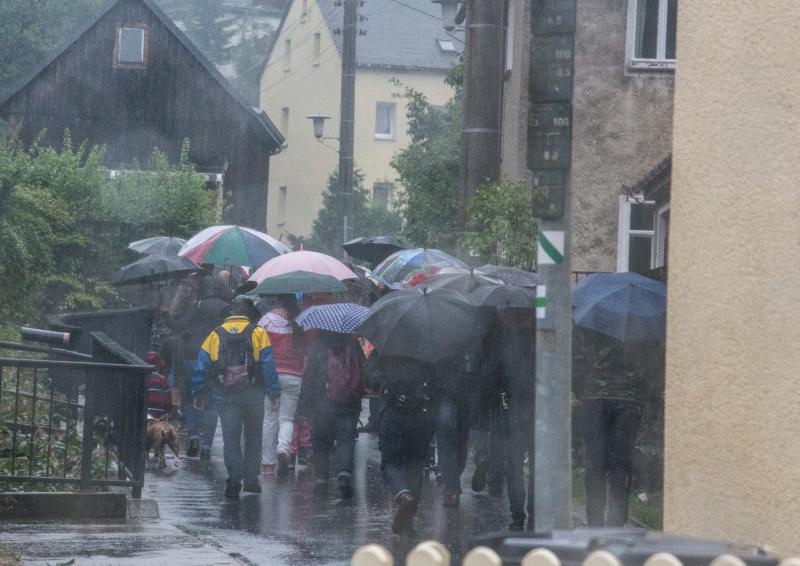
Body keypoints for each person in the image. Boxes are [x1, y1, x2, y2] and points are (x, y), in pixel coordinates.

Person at [192, 297, 280, 499]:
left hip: (225, 396)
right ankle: (251, 480)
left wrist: (199, 393)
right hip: (254, 395)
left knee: (230, 438)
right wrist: (273, 393)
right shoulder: (258, 333)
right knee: (253, 436)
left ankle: (233, 480)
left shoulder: (215, 335)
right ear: (249, 314)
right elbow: (267, 365)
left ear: (231, 313)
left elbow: (202, 366)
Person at [572, 327, 660, 526]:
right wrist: (641, 392)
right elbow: (651, 362)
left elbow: (575, 359)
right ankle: (616, 521)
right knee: (621, 463)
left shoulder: (592, 320)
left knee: (594, 462)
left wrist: (583, 390)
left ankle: (594, 520)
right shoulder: (643, 321)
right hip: (628, 399)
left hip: (594, 398)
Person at [374, 355, 439, 535]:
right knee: (415, 465)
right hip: (422, 417)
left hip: (394, 413)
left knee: (391, 462)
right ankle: (408, 521)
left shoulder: (389, 350)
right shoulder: (430, 350)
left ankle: (403, 495)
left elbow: (371, 377)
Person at [299, 330, 365, 497]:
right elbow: (362, 370)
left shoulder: (317, 345)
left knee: (320, 441)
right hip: (349, 401)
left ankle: (321, 478)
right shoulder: (352, 344)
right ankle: (344, 473)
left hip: (321, 401)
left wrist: (304, 405)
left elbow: (308, 377)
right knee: (346, 438)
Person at [259, 294, 306, 478]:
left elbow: (260, 348)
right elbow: (306, 352)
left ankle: (268, 464)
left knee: (269, 418)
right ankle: (283, 447)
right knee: (287, 419)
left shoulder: (267, 320)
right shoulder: (300, 321)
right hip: (294, 375)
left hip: (271, 375)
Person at [434, 355, 474, 507]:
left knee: (446, 445)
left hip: (446, 396)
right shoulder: (471, 339)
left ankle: (451, 488)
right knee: (460, 443)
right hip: (465, 396)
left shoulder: (436, 341)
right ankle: (452, 484)